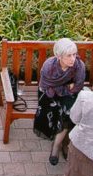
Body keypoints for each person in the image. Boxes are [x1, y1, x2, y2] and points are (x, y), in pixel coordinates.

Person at [33, 38, 85, 166]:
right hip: (48, 94)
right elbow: (46, 86)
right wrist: (67, 87)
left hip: (69, 94)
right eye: (68, 55)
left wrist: (61, 89)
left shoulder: (79, 65)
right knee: (53, 109)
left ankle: (57, 145)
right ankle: (60, 143)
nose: (73, 58)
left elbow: (78, 86)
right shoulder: (49, 66)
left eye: (74, 54)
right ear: (59, 56)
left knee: (69, 112)